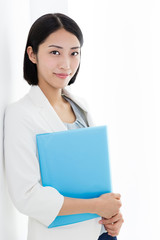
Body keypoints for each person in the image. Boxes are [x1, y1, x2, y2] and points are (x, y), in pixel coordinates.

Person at [4, 13, 123, 240]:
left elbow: (92, 175)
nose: (66, 64)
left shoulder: (80, 106)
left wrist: (113, 215)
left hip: (101, 232)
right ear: (32, 54)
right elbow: (27, 196)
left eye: (74, 53)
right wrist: (97, 205)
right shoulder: (21, 114)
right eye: (55, 52)